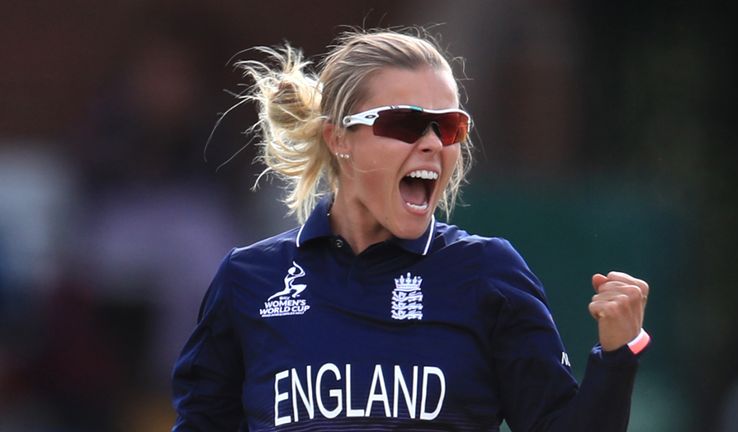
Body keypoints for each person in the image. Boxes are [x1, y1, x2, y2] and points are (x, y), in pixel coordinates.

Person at [171, 28, 651, 432]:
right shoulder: (248, 280)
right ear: (338, 138)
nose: (430, 144)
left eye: (448, 127)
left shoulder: (488, 274)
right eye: (405, 124)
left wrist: (618, 352)